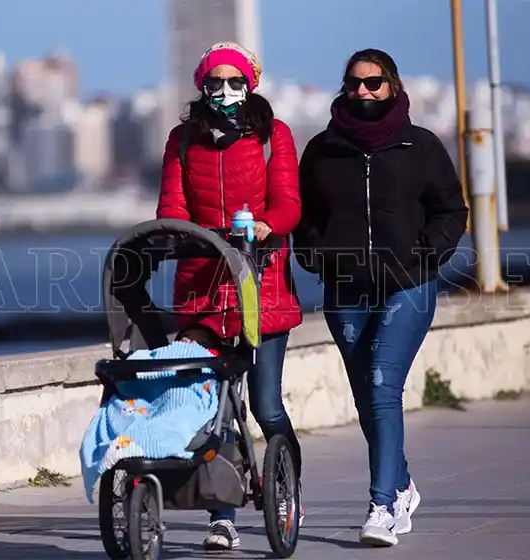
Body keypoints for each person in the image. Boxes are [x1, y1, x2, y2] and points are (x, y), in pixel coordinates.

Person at [292, 48, 469, 547]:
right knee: (367, 395)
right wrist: (315, 254)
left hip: (408, 285)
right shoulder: (323, 150)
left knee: (382, 383)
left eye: (373, 84)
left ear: (392, 86)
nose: (363, 92)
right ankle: (403, 483)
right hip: (346, 291)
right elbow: (304, 217)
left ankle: (383, 505)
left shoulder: (421, 146)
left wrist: (425, 254)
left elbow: (451, 210)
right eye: (354, 84)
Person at [156, 41, 304, 552]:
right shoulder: (181, 140)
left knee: (264, 406)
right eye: (214, 83)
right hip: (201, 288)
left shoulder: (273, 135)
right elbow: (171, 207)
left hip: (260, 285)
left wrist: (265, 225)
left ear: (250, 84)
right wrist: (179, 235)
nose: (224, 91)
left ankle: (286, 489)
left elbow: (289, 204)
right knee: (212, 406)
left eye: (234, 82)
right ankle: (221, 516)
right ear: (201, 86)